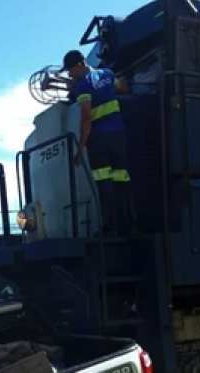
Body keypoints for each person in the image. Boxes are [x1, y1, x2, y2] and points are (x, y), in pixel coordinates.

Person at [63, 49, 139, 236]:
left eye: (71, 70)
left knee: (104, 182)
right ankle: (130, 225)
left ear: (80, 65)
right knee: (122, 178)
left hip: (99, 139)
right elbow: (122, 89)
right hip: (118, 135)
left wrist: (81, 148)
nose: (70, 74)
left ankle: (109, 227)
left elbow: (86, 118)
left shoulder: (83, 87)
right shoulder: (107, 74)